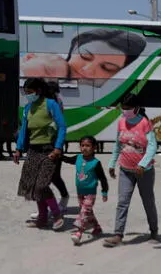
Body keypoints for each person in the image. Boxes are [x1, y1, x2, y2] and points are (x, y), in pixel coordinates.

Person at [103, 93, 159, 248]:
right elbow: (117, 144)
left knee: (148, 202)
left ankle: (154, 231)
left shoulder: (145, 123)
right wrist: (112, 163)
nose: (124, 111)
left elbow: (153, 146)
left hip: (144, 171)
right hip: (125, 170)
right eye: (123, 108)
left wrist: (142, 164)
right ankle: (118, 235)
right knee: (122, 202)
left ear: (136, 108)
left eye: (127, 108)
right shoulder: (121, 122)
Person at [14, 78, 67, 230]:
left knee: (41, 185)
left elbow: (62, 127)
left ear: (38, 91)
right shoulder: (27, 108)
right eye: (25, 92)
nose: (27, 95)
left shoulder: (51, 105)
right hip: (33, 150)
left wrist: (57, 148)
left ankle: (56, 215)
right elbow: (24, 130)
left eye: (30, 92)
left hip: (49, 150)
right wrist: (18, 149)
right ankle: (42, 218)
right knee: (32, 185)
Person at [29, 80, 70, 220]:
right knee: (41, 179)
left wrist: (58, 146)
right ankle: (43, 210)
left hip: (53, 144)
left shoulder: (54, 103)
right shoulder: (42, 103)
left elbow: (60, 126)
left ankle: (63, 199)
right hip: (41, 145)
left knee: (53, 176)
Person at [61, 135, 109, 245]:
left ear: (94, 148)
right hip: (80, 192)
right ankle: (97, 228)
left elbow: (103, 178)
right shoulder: (78, 158)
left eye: (87, 145)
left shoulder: (96, 163)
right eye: (82, 145)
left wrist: (104, 191)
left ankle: (79, 233)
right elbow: (67, 159)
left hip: (91, 192)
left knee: (84, 212)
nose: (84, 148)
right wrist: (58, 155)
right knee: (88, 212)